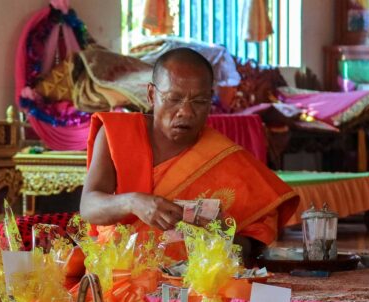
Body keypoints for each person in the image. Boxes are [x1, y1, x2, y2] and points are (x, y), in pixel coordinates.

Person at [80, 48, 298, 263]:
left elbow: (252, 248)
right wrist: (133, 202)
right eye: (173, 99)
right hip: (119, 274)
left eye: (200, 101)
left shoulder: (226, 158)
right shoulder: (117, 134)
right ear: (151, 95)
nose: (186, 112)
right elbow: (89, 206)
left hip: (195, 286)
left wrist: (221, 238)